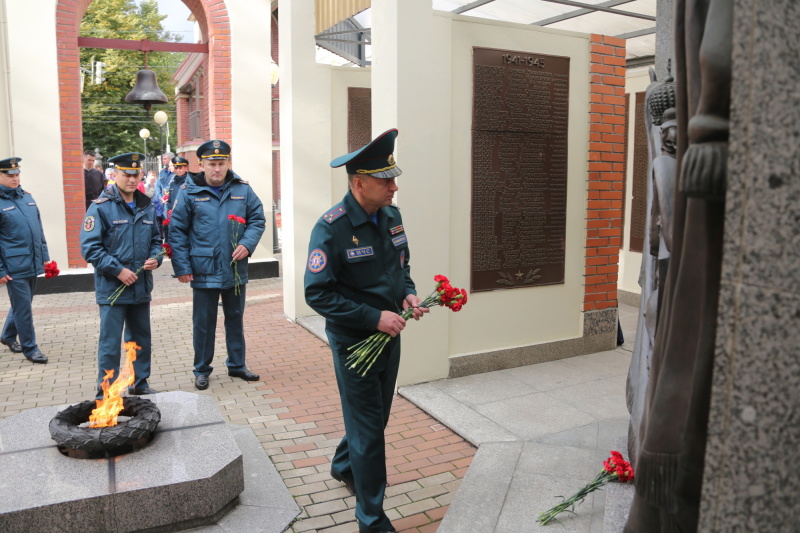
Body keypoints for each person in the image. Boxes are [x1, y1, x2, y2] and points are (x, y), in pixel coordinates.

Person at [304, 129, 427, 533]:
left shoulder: (392, 215)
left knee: (375, 418)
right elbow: (317, 294)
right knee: (370, 430)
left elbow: (401, 267)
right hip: (355, 341)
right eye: (385, 180)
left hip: (388, 337)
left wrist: (407, 295)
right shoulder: (331, 228)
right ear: (359, 184)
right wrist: (373, 318)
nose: (394, 186)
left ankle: (343, 465)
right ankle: (371, 518)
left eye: (393, 178)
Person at [168, 140, 265, 391]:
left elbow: (257, 219)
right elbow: (177, 232)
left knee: (235, 318)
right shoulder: (189, 192)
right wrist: (182, 267)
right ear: (202, 165)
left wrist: (247, 243)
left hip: (234, 267)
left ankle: (237, 365)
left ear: (228, 163)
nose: (217, 169)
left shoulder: (242, 189)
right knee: (204, 322)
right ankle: (201, 369)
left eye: (221, 164)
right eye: (212, 164)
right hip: (203, 268)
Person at [81, 152, 163, 397]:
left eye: (135, 174)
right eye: (126, 174)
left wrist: (156, 259)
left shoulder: (146, 205)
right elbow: (90, 249)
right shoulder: (100, 208)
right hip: (112, 288)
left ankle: (140, 383)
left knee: (139, 339)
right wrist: (118, 270)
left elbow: (157, 240)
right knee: (110, 343)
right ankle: (106, 392)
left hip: (140, 286)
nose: (130, 179)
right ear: (114, 174)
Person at [0, 157, 50, 364]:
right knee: (23, 309)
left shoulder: (26, 198)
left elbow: (39, 232)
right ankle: (31, 348)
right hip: (13, 266)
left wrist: (45, 259)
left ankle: (7, 336)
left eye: (17, 174)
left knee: (23, 303)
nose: (15, 177)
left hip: (32, 262)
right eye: (9, 175)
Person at [153, 152, 174, 236]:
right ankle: (166, 244)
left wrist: (168, 197)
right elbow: (157, 186)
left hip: (172, 202)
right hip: (163, 203)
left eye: (165, 159)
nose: (163, 161)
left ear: (171, 159)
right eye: (163, 159)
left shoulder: (175, 172)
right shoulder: (162, 172)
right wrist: (161, 197)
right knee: (165, 224)